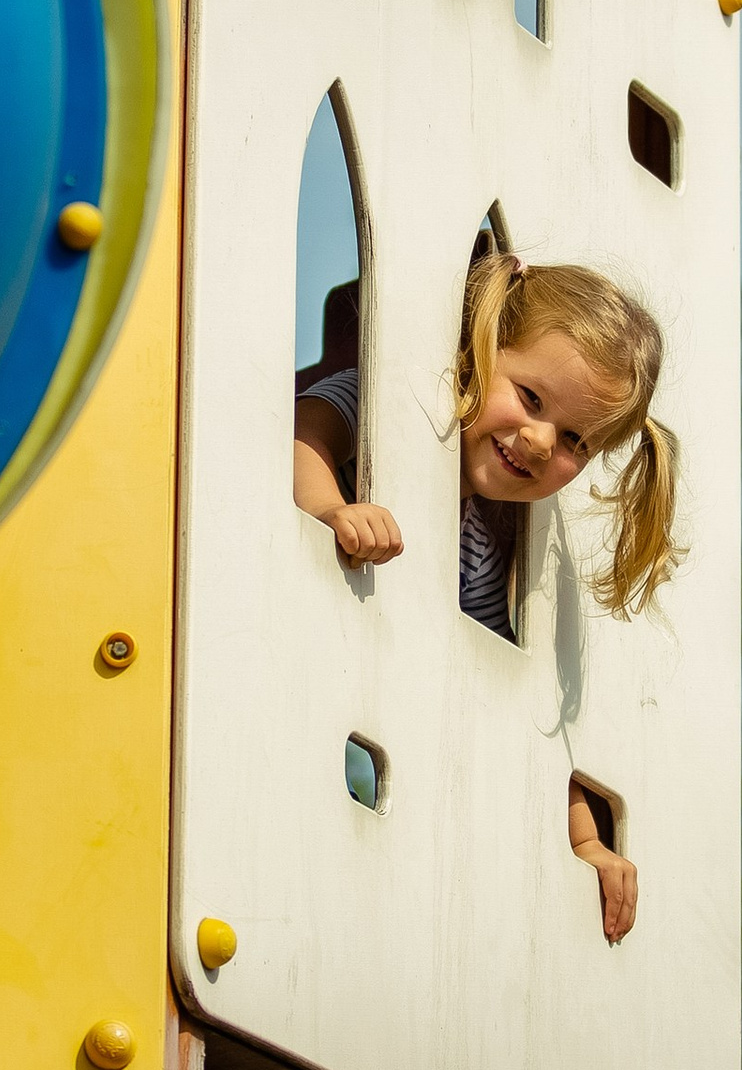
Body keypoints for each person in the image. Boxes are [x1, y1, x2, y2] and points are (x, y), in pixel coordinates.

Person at [291, 247, 683, 943]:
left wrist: (583, 839)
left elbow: (514, 704)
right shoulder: (395, 406)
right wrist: (331, 510)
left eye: (574, 442)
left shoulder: (492, 548)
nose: (537, 441)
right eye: (531, 399)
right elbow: (304, 430)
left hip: (386, 763)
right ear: (484, 346)